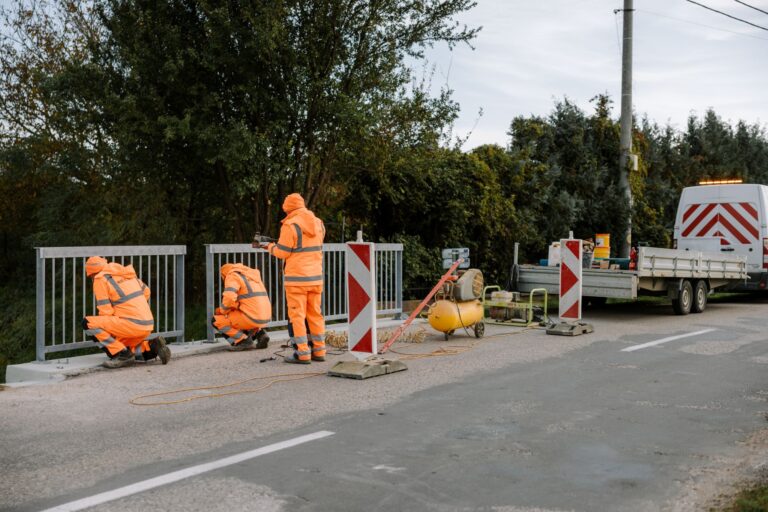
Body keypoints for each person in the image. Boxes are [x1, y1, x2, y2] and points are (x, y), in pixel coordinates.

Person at [261, 193, 326, 364]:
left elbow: (282, 252)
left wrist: (268, 246)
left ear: (288, 209)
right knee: (315, 315)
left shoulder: (290, 225)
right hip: (316, 278)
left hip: (297, 280)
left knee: (297, 316)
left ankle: (303, 353)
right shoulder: (318, 223)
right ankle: (319, 351)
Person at [82, 256, 171, 369]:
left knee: (88, 323)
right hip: (147, 324)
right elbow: (147, 292)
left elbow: (106, 311)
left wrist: (113, 330)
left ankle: (122, 355)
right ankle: (152, 346)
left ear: (92, 273)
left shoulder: (100, 279)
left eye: (90, 276)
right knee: (126, 347)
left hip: (131, 324)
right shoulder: (125, 273)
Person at [211, 263, 271, 350]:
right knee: (245, 315)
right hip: (264, 316)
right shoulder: (251, 276)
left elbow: (229, 298)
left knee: (216, 320)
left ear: (225, 273)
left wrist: (222, 311)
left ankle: (243, 341)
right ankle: (260, 333)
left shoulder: (232, 275)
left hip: (251, 317)